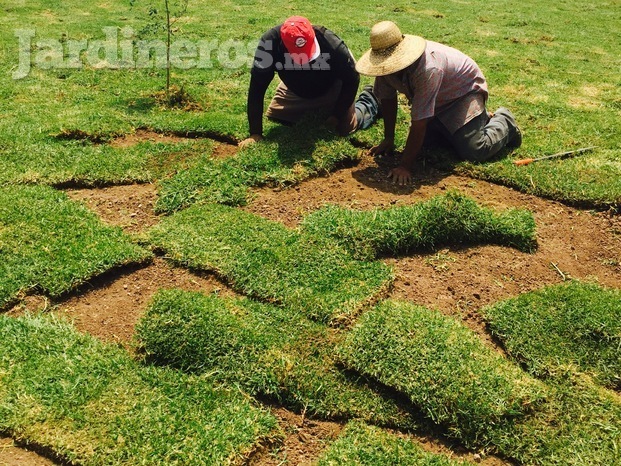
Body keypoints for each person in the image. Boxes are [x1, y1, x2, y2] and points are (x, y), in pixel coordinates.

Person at [356, 21, 522, 185]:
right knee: (428, 145)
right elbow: (388, 99)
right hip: (435, 101)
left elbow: (419, 123)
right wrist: (388, 138)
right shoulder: (386, 68)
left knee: (474, 149)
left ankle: (505, 121)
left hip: (463, 94)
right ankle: (473, 122)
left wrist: (405, 166)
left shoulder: (428, 69)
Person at [239, 16, 379, 148]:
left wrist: (336, 116)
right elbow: (257, 86)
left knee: (344, 128)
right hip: (295, 89)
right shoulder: (269, 44)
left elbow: (352, 79)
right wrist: (255, 133)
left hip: (332, 88)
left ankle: (370, 99)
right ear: (284, 46)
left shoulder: (331, 44)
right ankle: (310, 107)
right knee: (277, 117)